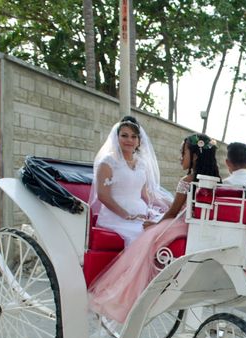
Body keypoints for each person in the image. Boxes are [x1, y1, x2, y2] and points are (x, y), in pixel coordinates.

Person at [88, 133, 221, 324]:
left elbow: (173, 213)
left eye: (182, 152)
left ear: (195, 156)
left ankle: (133, 290)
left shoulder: (187, 180)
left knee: (148, 235)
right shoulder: (216, 181)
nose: (179, 157)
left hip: (180, 224)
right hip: (197, 227)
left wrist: (156, 224)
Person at [89, 115, 173, 246]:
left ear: (139, 141)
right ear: (117, 138)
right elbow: (103, 196)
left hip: (140, 214)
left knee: (162, 230)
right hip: (115, 217)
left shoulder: (142, 164)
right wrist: (126, 215)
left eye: (134, 136)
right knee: (141, 236)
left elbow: (145, 195)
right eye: (124, 135)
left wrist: (170, 205)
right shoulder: (107, 163)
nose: (129, 140)